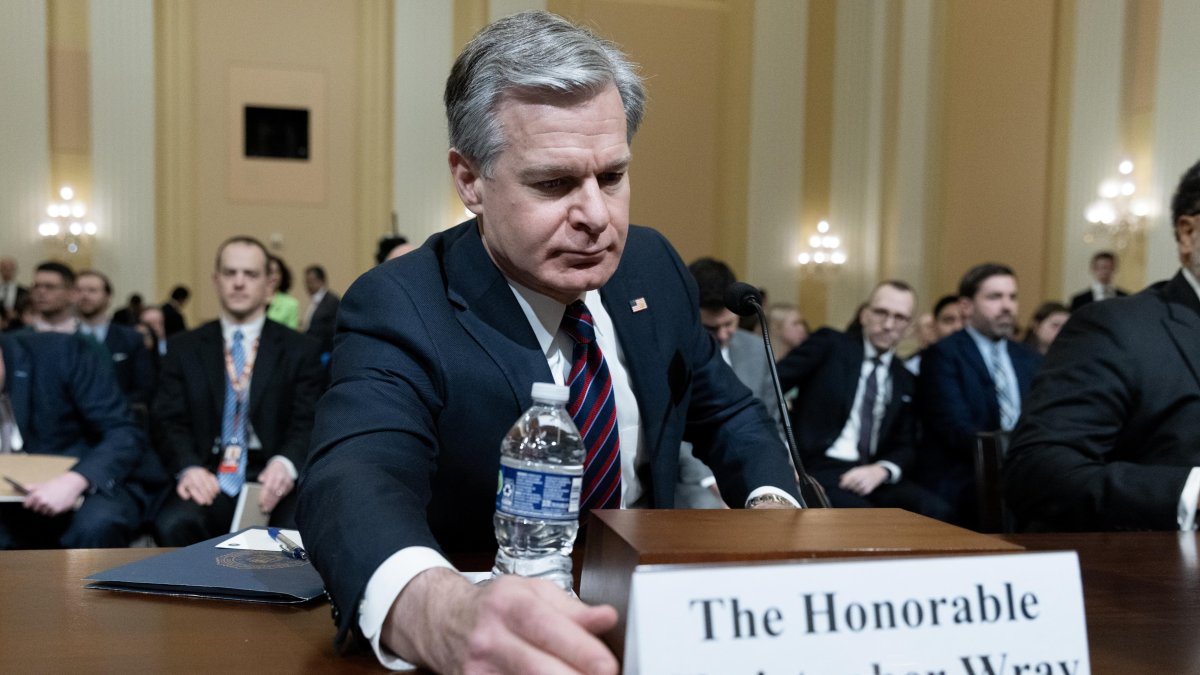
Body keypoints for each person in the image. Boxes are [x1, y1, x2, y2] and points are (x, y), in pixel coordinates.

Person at [296, 11, 801, 673]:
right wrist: (441, 612)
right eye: (554, 183)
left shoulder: (651, 266)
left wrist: (770, 509)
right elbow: (354, 479)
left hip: (667, 625)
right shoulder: (403, 302)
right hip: (500, 642)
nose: (595, 215)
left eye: (612, 176)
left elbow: (729, 413)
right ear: (470, 180)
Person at [1004, 159, 1200, 531]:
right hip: (1158, 572)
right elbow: (1039, 470)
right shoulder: (1114, 329)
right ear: (1189, 234)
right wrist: (1190, 493)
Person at [152, 237, 324, 546]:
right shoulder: (184, 348)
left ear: (269, 284)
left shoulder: (301, 350)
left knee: (297, 535)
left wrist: (286, 463)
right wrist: (188, 467)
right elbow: (168, 419)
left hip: (272, 473)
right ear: (216, 281)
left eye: (250, 274)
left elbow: (308, 419)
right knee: (175, 523)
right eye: (230, 273)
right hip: (208, 472)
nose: (239, 283)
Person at [776, 281, 951, 520]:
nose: (888, 325)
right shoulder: (831, 345)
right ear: (864, 314)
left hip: (871, 472)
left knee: (936, 512)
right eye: (881, 313)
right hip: (818, 467)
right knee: (867, 521)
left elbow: (907, 443)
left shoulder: (905, 378)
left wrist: (883, 470)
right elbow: (771, 387)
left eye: (900, 318)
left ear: (909, 327)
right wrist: (782, 449)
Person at [0, 330, 166, 548]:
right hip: (15, 492)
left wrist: (73, 481)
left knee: (96, 525)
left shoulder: (62, 353)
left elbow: (124, 432)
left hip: (94, 478)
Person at [917, 263, 1041, 524]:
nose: (1007, 306)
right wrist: (1013, 456)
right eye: (995, 297)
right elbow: (955, 428)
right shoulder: (943, 355)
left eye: (1012, 297)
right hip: (966, 473)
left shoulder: (1029, 359)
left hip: (1026, 469)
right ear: (966, 306)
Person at [676, 257, 780, 509]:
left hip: (753, 467)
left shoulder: (757, 349)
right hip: (694, 476)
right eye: (711, 328)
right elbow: (672, 432)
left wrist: (780, 471)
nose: (722, 335)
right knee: (713, 513)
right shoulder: (675, 353)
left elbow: (771, 418)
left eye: (729, 324)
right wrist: (710, 480)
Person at [74, 270, 156, 413]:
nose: (84, 295)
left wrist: (113, 408)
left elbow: (145, 387)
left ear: (108, 297)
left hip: (120, 417)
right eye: (78, 290)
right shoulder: (63, 338)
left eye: (92, 290)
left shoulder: (131, 338)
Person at [302, 265, 339, 355]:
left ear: (321, 280)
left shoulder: (331, 301)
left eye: (311, 281)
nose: (308, 286)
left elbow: (333, 329)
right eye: (306, 282)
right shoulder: (314, 301)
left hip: (324, 351)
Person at [30, 262, 78, 333]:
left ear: (71, 294)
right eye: (36, 286)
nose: (41, 292)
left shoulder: (87, 338)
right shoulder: (17, 339)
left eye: (50, 287)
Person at [266, 256, 300, 330]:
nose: (273, 276)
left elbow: (291, 335)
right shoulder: (250, 299)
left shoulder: (290, 304)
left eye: (277, 272)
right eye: (269, 272)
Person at [0, 257, 30, 324]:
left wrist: (18, 315)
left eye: (10, 268)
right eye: (4, 268)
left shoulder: (24, 292)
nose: (7, 271)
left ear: (16, 270)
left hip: (18, 325)